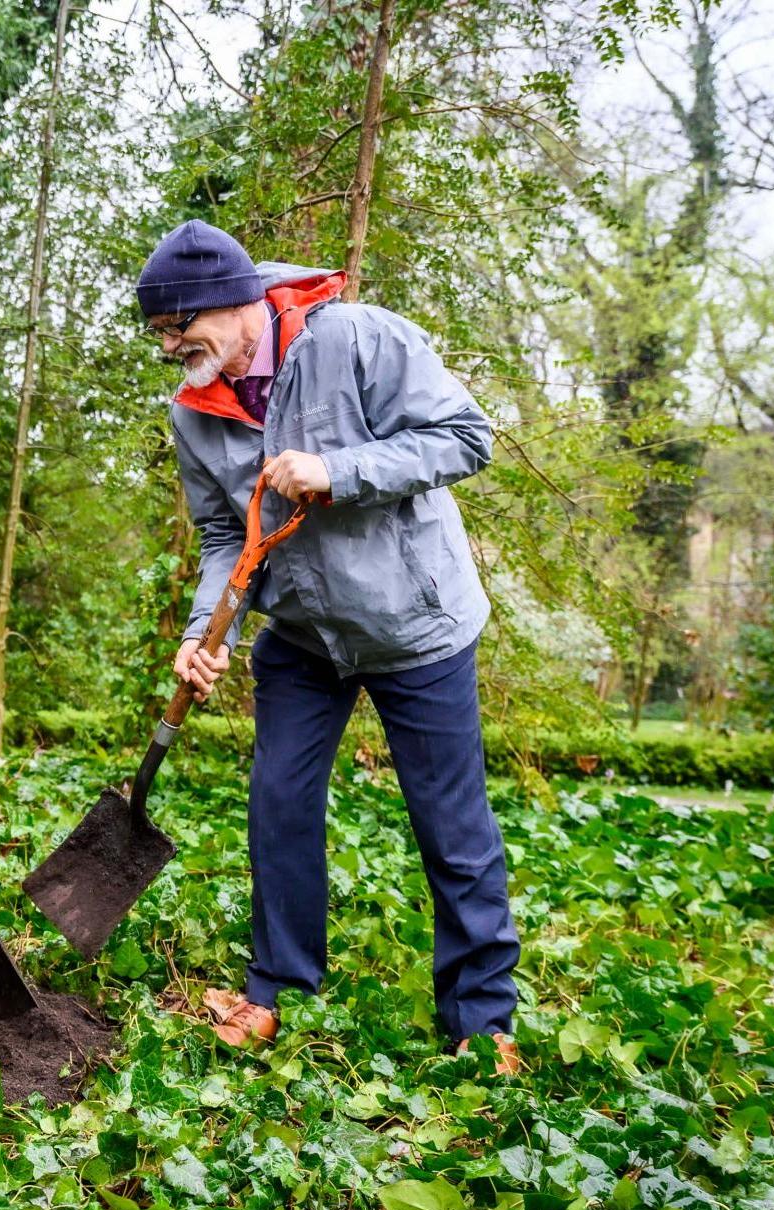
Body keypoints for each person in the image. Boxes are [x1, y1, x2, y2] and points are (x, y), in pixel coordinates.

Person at [139, 219, 521, 1073]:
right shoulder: (194, 414)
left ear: (231, 305)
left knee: (450, 823)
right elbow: (216, 535)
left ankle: (480, 1017)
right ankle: (276, 987)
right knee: (278, 804)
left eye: (177, 328)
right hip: (305, 632)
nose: (169, 348)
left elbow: (467, 436)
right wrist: (210, 638)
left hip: (413, 623)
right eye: (160, 335)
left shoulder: (354, 337)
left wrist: (338, 472)